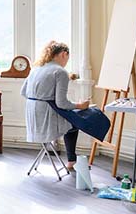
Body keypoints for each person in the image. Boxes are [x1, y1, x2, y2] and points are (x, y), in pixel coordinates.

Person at [20, 41, 108, 171]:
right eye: (67, 58)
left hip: (33, 120)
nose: (66, 61)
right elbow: (62, 103)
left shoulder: (36, 69)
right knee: (80, 120)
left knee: (72, 120)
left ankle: (72, 161)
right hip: (47, 120)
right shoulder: (60, 72)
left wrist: (42, 100)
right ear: (63, 54)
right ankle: (72, 161)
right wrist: (81, 105)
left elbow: (23, 92)